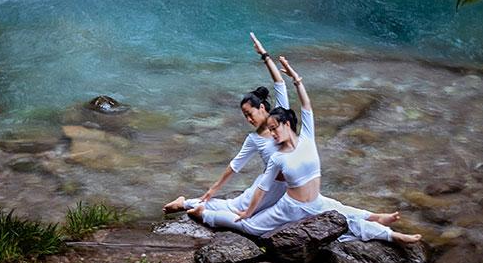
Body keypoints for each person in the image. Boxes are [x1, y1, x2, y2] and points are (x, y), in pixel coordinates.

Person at [192, 53, 422, 246]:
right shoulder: (278, 157)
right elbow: (262, 188)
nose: (272, 134)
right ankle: (206, 214)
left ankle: (390, 234)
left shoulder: (307, 137)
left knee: (342, 212)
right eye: (270, 130)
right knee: (249, 226)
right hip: (290, 208)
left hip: (314, 202)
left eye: (274, 128)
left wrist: (297, 80)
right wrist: (248, 212)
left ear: (287, 124)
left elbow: (306, 106)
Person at [163, 32, 289, 216]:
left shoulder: (281, 116)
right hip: (270, 186)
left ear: (262, 107)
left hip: (293, 185)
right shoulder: (254, 139)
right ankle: (186, 203)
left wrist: (264, 55)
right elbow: (235, 165)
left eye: (250, 113)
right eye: (245, 116)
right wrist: (213, 189)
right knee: (236, 209)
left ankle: (190, 204)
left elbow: (280, 83)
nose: (249, 119)